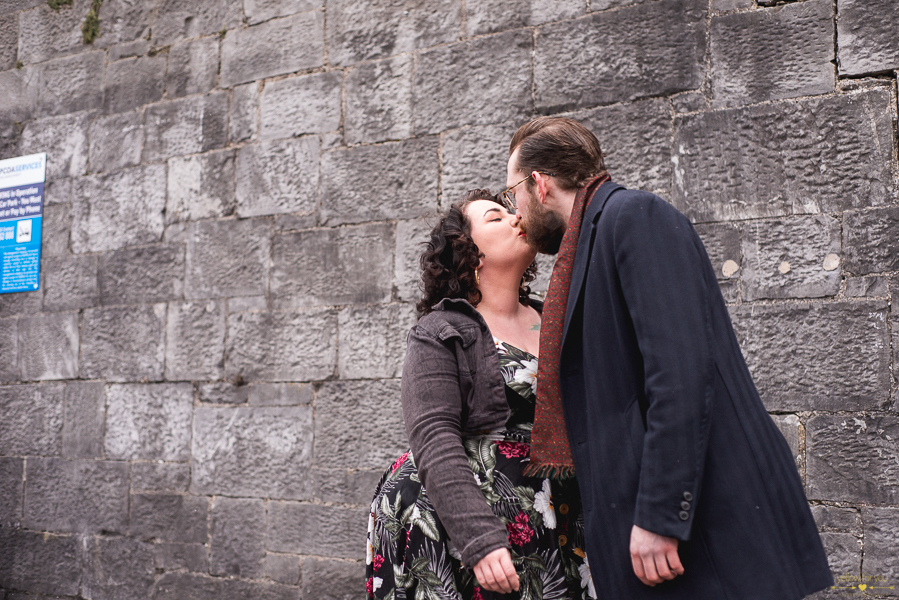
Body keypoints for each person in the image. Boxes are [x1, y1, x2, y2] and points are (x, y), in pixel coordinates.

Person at [502, 117, 834, 599]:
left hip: (699, 528)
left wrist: (660, 516)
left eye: (512, 193)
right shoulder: (591, 242)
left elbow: (680, 375)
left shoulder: (634, 218)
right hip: (657, 534)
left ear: (540, 184)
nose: (515, 212)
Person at [366, 190, 594, 600]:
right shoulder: (440, 330)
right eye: (495, 217)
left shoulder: (556, 317)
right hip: (461, 522)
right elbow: (434, 436)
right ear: (470, 254)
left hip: (557, 513)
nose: (515, 217)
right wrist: (479, 540)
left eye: (511, 210)